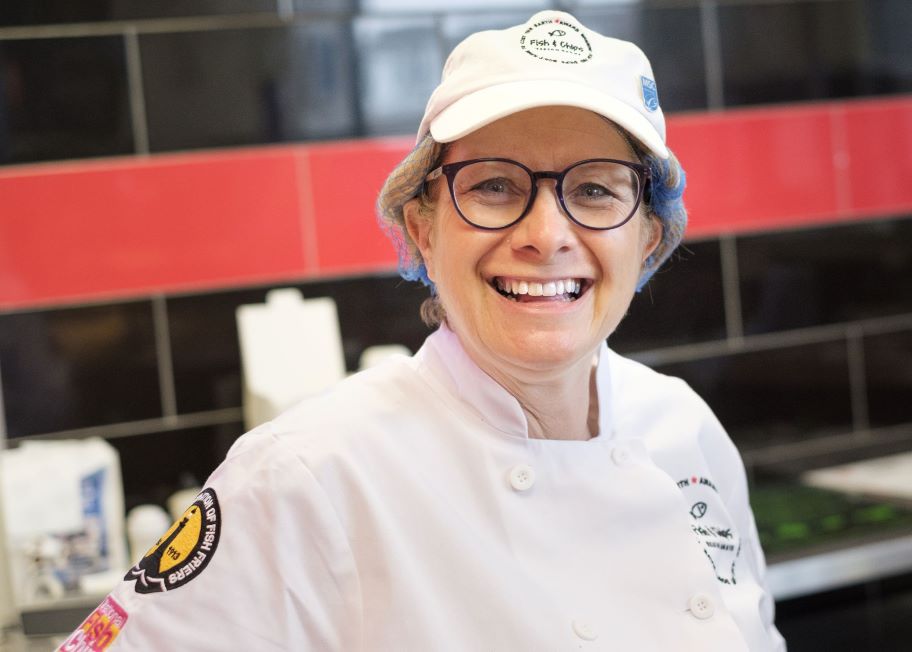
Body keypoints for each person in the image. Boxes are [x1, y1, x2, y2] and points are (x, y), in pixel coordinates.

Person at [61, 11, 785, 651]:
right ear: (423, 228)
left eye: (596, 189)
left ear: (649, 237)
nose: (546, 233)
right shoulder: (309, 478)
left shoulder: (686, 430)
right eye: (494, 185)